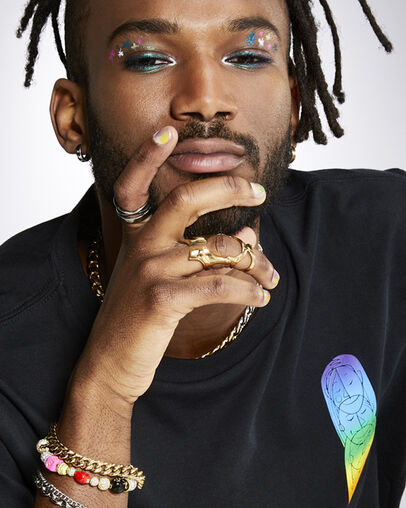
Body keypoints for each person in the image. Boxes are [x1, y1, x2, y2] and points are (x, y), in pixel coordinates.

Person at [0, 0, 404, 507]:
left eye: (248, 57)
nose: (207, 101)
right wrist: (106, 387)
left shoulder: (383, 237)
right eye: (148, 59)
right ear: (73, 117)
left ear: (294, 107)